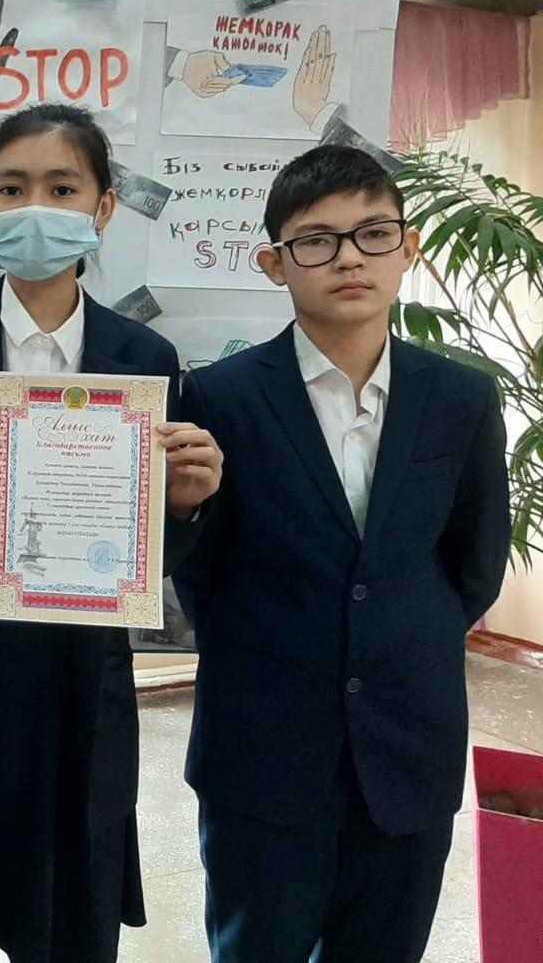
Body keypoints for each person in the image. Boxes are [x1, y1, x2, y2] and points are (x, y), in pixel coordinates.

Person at [0, 103, 222, 963]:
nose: (36, 207)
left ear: (103, 208)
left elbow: (158, 560)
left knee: (68, 908)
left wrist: (183, 505)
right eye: (11, 188)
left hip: (74, 680)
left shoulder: (144, 360)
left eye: (62, 189)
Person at [175, 144, 511, 963]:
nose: (350, 258)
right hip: (263, 749)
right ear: (275, 263)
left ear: (409, 247)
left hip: (410, 743)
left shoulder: (462, 397)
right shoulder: (218, 396)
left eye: (373, 234)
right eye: (317, 241)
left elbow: (473, 565)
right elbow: (201, 571)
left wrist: (398, 637)